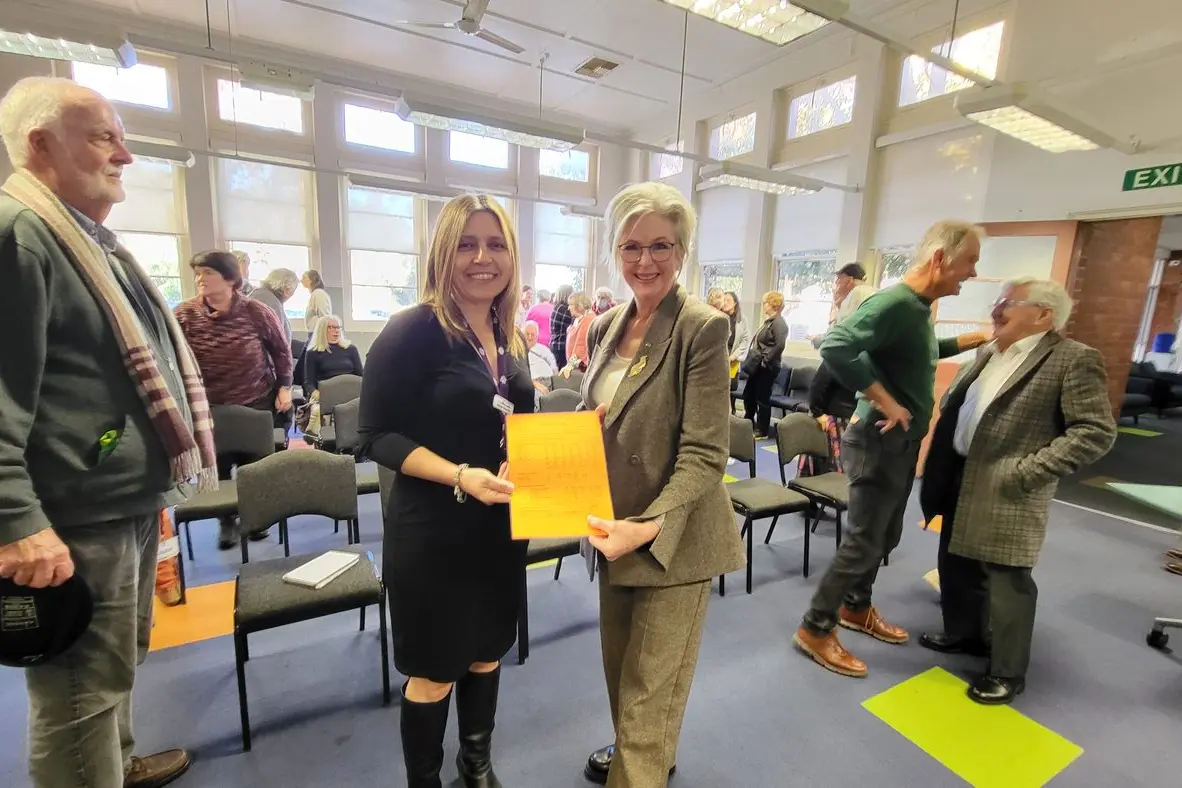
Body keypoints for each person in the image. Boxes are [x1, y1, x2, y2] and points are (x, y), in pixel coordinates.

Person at [0, 76, 216, 788]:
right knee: (77, 694)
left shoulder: (85, 240)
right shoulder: (19, 233)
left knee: (118, 662)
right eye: (103, 136)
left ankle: (115, 766)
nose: (125, 152)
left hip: (116, 499)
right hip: (68, 518)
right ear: (39, 144)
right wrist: (14, 520)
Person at [358, 194, 533, 788]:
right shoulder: (414, 330)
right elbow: (376, 436)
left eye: (496, 244)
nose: (483, 257)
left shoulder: (511, 337)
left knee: (487, 652)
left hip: (499, 528)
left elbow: (513, 424)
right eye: (466, 243)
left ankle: (475, 764)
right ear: (442, 252)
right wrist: (460, 474)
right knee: (434, 671)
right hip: (434, 533)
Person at [580, 182, 745, 787]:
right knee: (623, 673)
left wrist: (648, 525)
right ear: (615, 252)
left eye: (660, 246)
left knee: (652, 690)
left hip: (671, 537)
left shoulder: (701, 328)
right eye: (631, 247)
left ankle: (640, 764)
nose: (644, 261)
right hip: (610, 531)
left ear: (682, 250)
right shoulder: (605, 326)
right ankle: (644, 753)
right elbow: (599, 418)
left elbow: (706, 453)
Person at [793, 219, 991, 678]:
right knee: (864, 540)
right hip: (878, 439)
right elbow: (837, 345)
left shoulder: (918, 309)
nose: (973, 273)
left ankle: (856, 607)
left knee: (885, 537)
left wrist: (963, 341)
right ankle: (815, 627)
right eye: (970, 263)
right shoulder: (896, 303)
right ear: (940, 258)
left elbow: (910, 353)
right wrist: (885, 400)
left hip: (900, 442)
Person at [919, 277, 1115, 704]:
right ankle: (965, 634)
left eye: (1007, 302)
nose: (996, 308)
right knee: (955, 563)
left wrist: (1028, 471)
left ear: (1043, 315)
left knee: (1007, 582)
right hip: (960, 475)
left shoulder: (1072, 359)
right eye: (998, 300)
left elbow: (1095, 432)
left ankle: (1007, 670)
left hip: (1009, 485)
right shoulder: (990, 351)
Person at [174, 250, 293, 549]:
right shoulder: (184, 314)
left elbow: (281, 350)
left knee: (256, 466)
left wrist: (285, 387)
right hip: (210, 404)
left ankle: (255, 519)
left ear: (229, 278)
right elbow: (171, 357)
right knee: (221, 465)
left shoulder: (255, 311)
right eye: (198, 273)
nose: (200, 279)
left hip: (255, 398)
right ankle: (226, 522)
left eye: (208, 273)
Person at [742, 292, 788, 438]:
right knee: (748, 394)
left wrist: (766, 360)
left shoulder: (779, 323)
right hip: (757, 366)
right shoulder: (768, 322)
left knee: (762, 398)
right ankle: (748, 423)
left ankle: (762, 430)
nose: (763, 306)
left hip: (767, 367)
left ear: (773, 304)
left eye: (765, 303)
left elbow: (780, 345)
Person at [304, 315, 363, 397]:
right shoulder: (313, 353)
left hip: (350, 395)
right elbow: (309, 384)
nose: (337, 330)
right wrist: (320, 397)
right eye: (332, 327)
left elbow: (361, 376)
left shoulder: (351, 349)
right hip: (326, 396)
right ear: (322, 329)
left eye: (338, 327)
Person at [250, 267, 299, 344]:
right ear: (287, 289)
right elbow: (275, 342)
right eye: (293, 290)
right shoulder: (272, 303)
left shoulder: (257, 294)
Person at [719, 290, 749, 385]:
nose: (725, 303)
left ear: (735, 303)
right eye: (724, 300)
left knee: (730, 389)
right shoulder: (718, 317)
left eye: (728, 300)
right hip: (718, 358)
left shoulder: (742, 319)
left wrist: (734, 356)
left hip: (733, 360)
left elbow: (745, 340)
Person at [563, 291, 594, 372]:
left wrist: (569, 367)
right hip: (576, 366)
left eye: (571, 305)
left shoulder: (588, 319)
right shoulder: (580, 318)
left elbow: (581, 347)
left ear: (580, 305)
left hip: (580, 368)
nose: (568, 308)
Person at [524, 319, 558, 391]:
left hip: (549, 380)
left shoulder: (543, 349)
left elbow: (554, 367)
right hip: (532, 382)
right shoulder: (519, 351)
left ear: (537, 337)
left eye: (532, 334)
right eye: (527, 334)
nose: (530, 337)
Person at [550, 283, 575, 369]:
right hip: (562, 346)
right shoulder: (565, 309)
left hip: (555, 344)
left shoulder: (556, 307)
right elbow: (573, 325)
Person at [302, 268, 332, 334]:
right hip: (315, 333)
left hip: (318, 334)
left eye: (304, 278)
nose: (301, 280)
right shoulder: (315, 294)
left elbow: (325, 316)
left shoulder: (318, 293)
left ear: (311, 280)